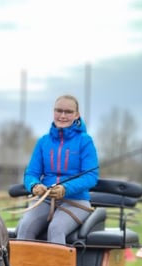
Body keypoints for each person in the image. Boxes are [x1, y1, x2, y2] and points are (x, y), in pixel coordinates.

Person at [18, 95, 99, 243]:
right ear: (53, 112)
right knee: (24, 227)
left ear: (76, 115)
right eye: (58, 111)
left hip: (76, 201)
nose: (62, 115)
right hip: (45, 200)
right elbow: (31, 173)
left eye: (68, 112)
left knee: (56, 229)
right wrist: (34, 185)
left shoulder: (85, 141)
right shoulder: (43, 141)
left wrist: (65, 188)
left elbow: (91, 176)